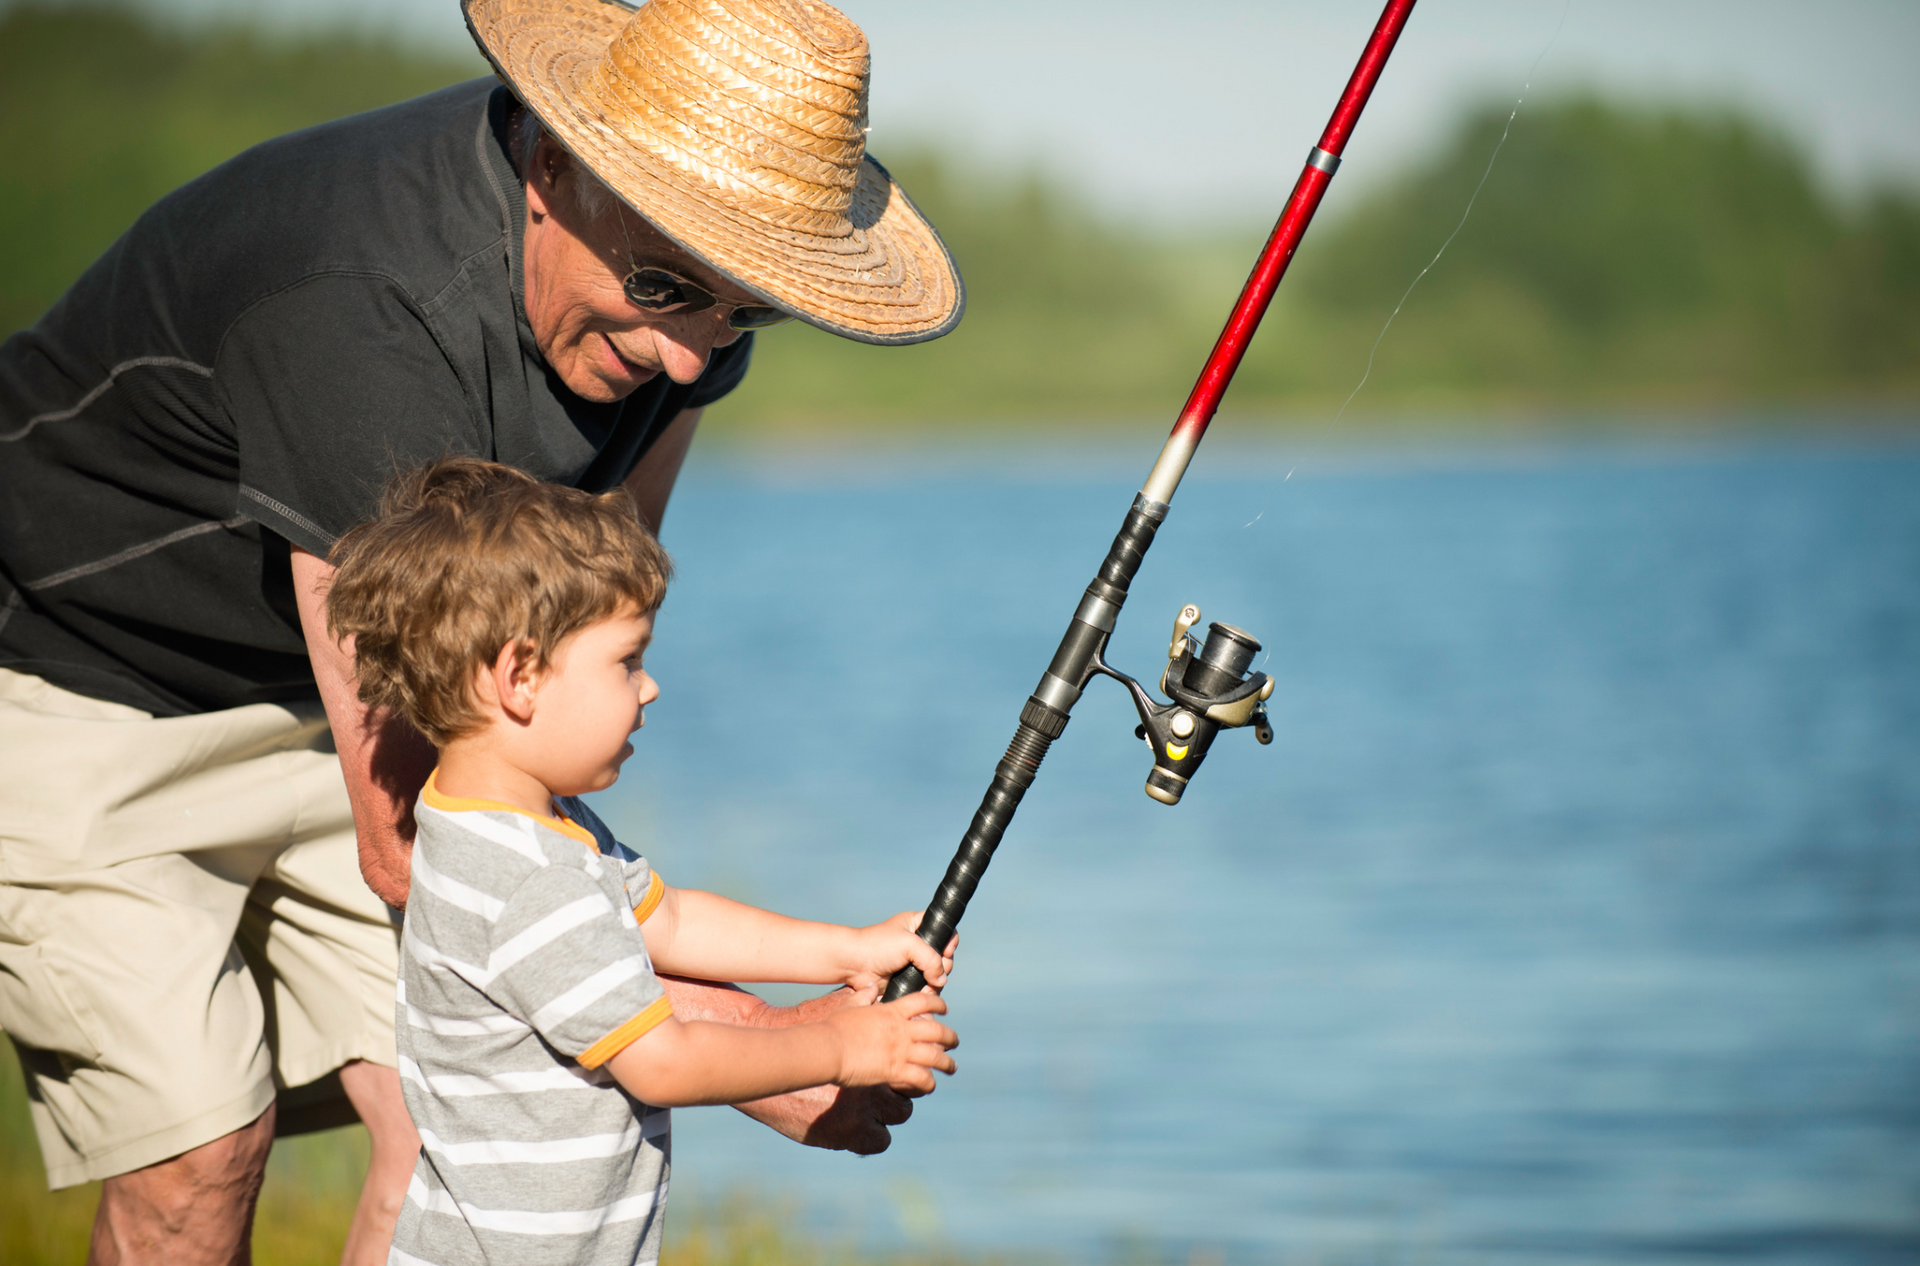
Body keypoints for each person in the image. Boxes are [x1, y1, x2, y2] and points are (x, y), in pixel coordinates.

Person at [0, 0, 963, 1260]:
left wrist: (785, 1002)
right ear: (552, 165)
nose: (687, 365)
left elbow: (587, 617)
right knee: (198, 1149)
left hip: (328, 685)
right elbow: (423, 850)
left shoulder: (686, 315)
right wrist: (774, 1054)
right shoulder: (364, 308)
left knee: (443, 1116)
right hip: (76, 672)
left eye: (741, 313)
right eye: (666, 288)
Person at [325, 457, 959, 1264]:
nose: (650, 687)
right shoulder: (530, 884)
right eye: (626, 660)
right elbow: (664, 1062)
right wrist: (848, 1048)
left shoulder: (501, 822)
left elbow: (672, 918)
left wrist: (848, 948)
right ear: (519, 676)